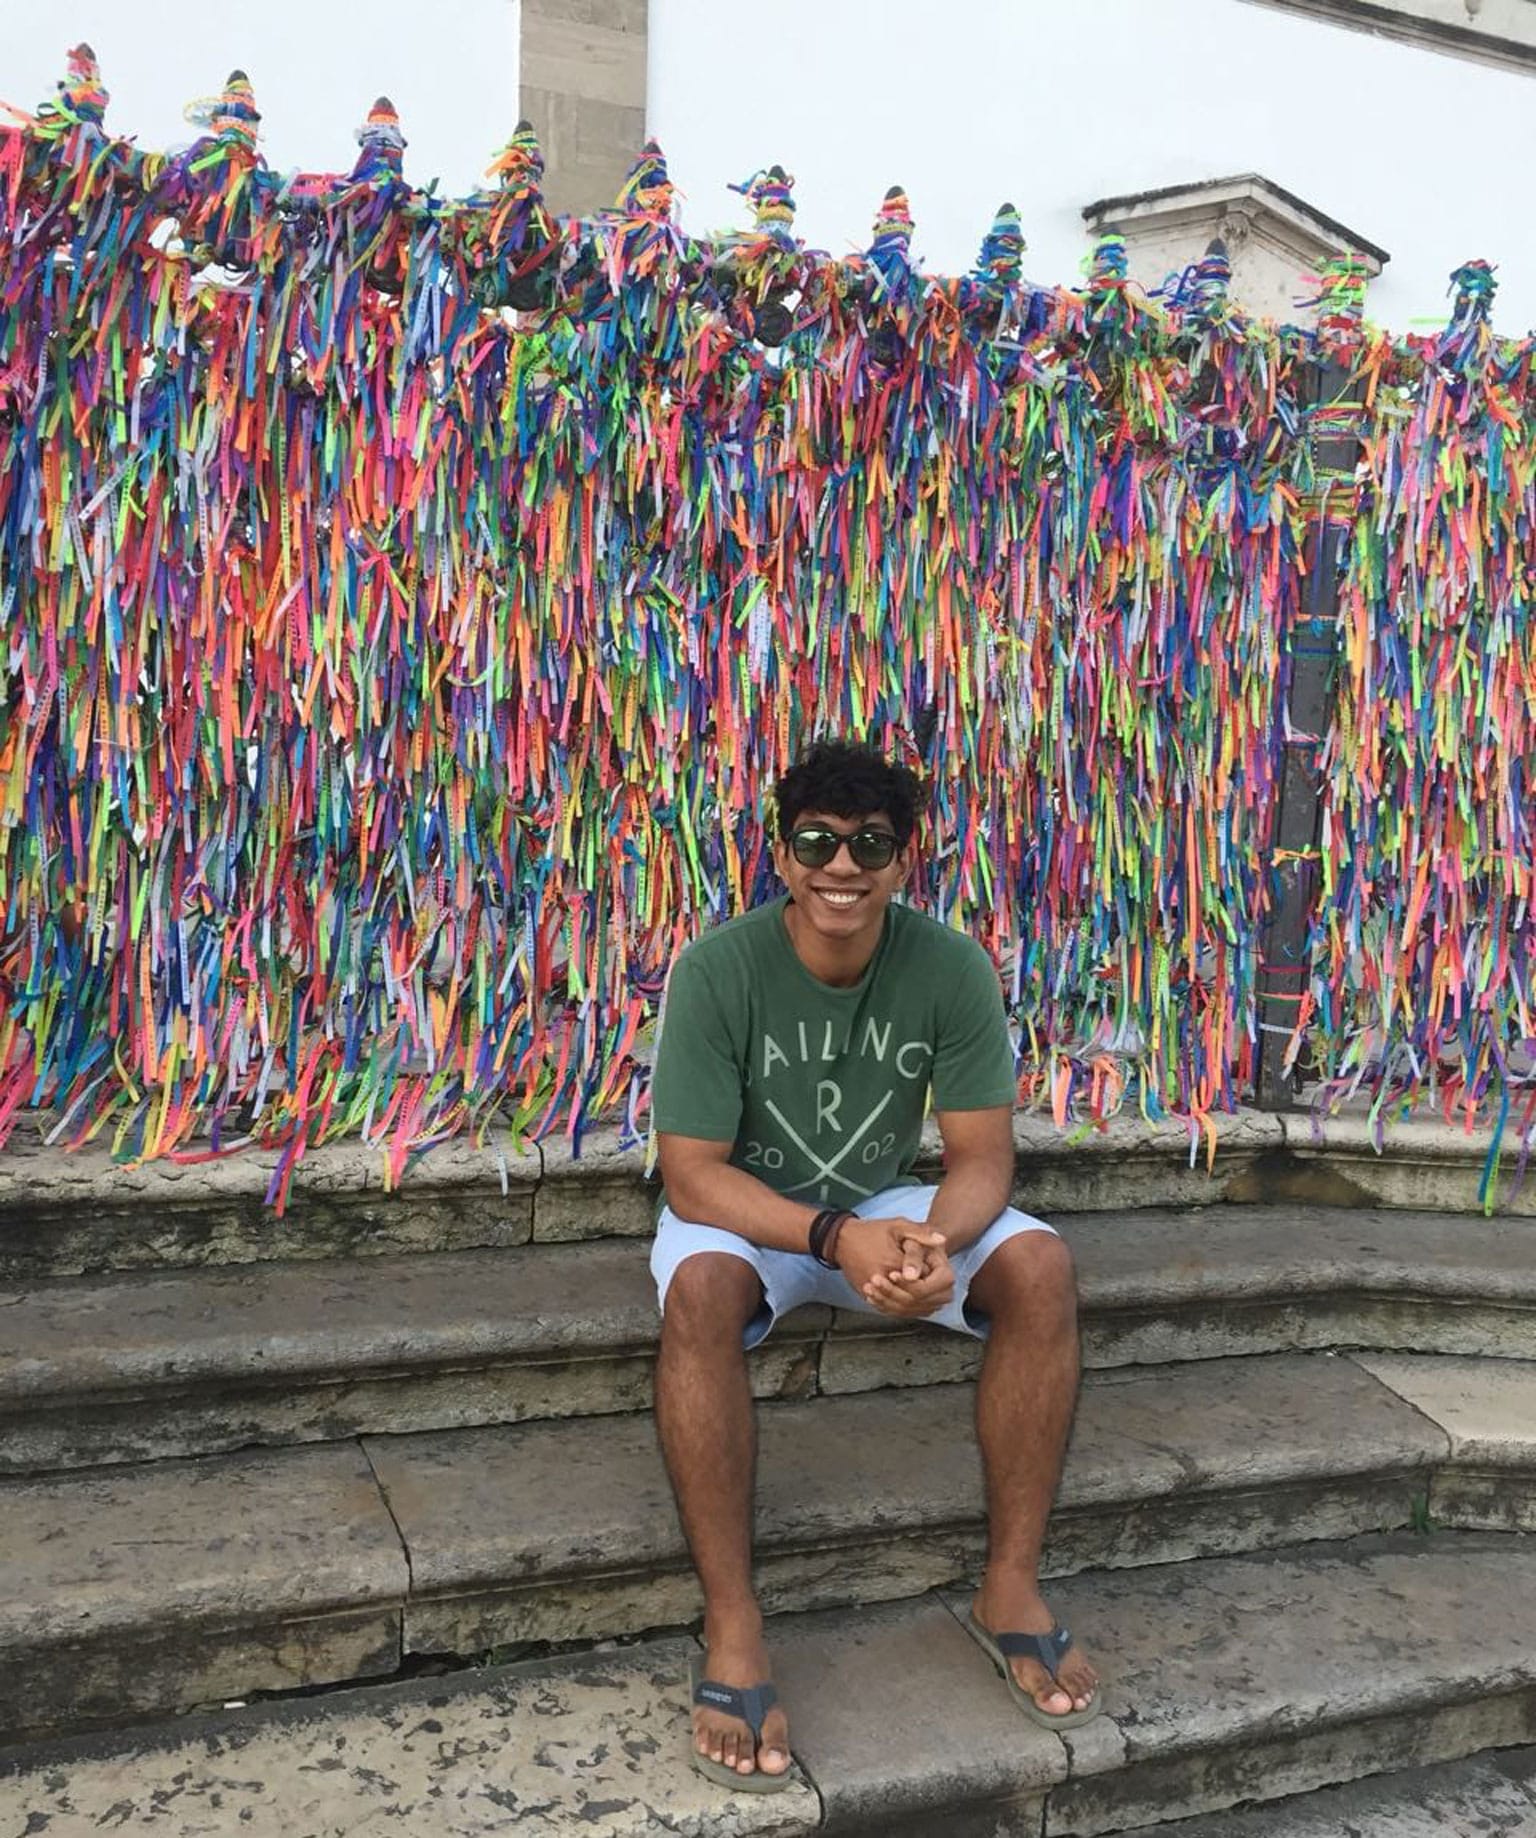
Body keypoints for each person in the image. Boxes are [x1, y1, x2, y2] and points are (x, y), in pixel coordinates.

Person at [649, 738, 1100, 1791]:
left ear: (904, 858)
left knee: (1040, 1265)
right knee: (699, 1291)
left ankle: (1009, 1585)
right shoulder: (717, 968)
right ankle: (733, 1622)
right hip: (754, 1207)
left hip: (885, 1200)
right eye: (816, 842)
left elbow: (983, 1158)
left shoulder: (950, 966)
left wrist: (932, 1242)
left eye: (870, 844)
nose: (841, 866)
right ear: (780, 854)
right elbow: (692, 1176)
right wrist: (833, 1238)